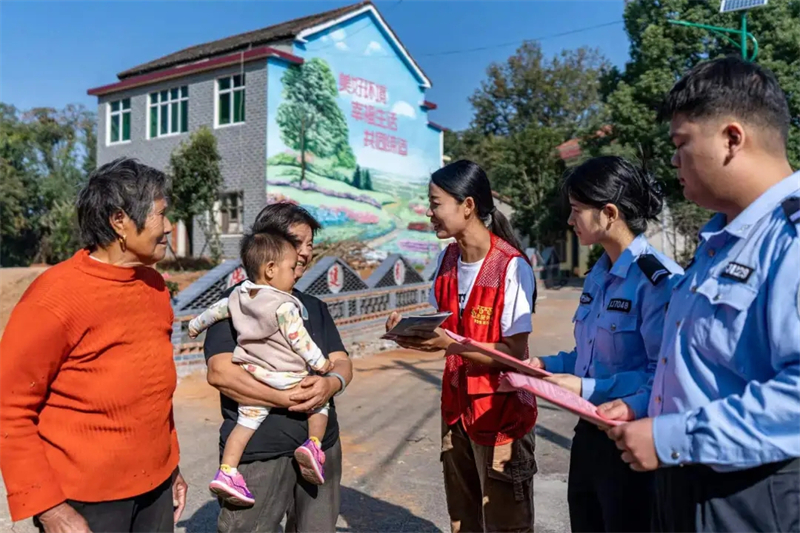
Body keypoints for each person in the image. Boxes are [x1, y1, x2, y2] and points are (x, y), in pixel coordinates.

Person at [601, 56, 800, 532]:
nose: (674, 161)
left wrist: (674, 435)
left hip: (752, 493)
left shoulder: (790, 238)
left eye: (681, 144)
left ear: (732, 138)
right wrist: (647, 408)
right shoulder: (719, 241)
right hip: (682, 478)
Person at [0, 158, 188, 533]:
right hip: (85, 505)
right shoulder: (54, 296)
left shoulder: (153, 286)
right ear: (119, 221)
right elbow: (10, 407)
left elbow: (154, 393)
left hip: (154, 493)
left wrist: (171, 467)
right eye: (160, 214)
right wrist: (50, 508)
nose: (169, 226)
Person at [529, 156, 683, 532]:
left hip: (633, 441)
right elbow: (588, 357)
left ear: (609, 213)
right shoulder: (598, 275)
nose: (570, 220)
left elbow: (663, 375)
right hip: (588, 434)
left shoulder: (659, 282)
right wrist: (546, 366)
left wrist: (585, 388)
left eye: (577, 209)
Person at [386, 159, 538, 533]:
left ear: (467, 205)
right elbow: (445, 329)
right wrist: (412, 331)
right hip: (456, 412)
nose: (429, 213)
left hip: (501, 415)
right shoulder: (447, 260)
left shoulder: (511, 267)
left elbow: (514, 355)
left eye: (435, 203)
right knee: (463, 520)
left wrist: (450, 346)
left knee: (506, 524)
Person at [203, 202, 353, 533]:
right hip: (261, 451)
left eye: (310, 244)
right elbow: (221, 373)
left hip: (320, 448)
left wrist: (331, 384)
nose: (305, 253)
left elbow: (341, 360)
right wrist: (287, 398)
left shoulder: (312, 305)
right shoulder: (239, 303)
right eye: (297, 243)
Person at [190, 230, 333, 506]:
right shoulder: (284, 304)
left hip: (254, 374)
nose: (294, 274)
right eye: (290, 268)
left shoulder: (239, 296)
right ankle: (313, 445)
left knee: (245, 424)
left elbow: (213, 313)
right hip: (286, 375)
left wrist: (195, 327)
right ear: (270, 270)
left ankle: (227, 472)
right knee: (319, 404)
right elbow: (299, 339)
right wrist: (320, 363)